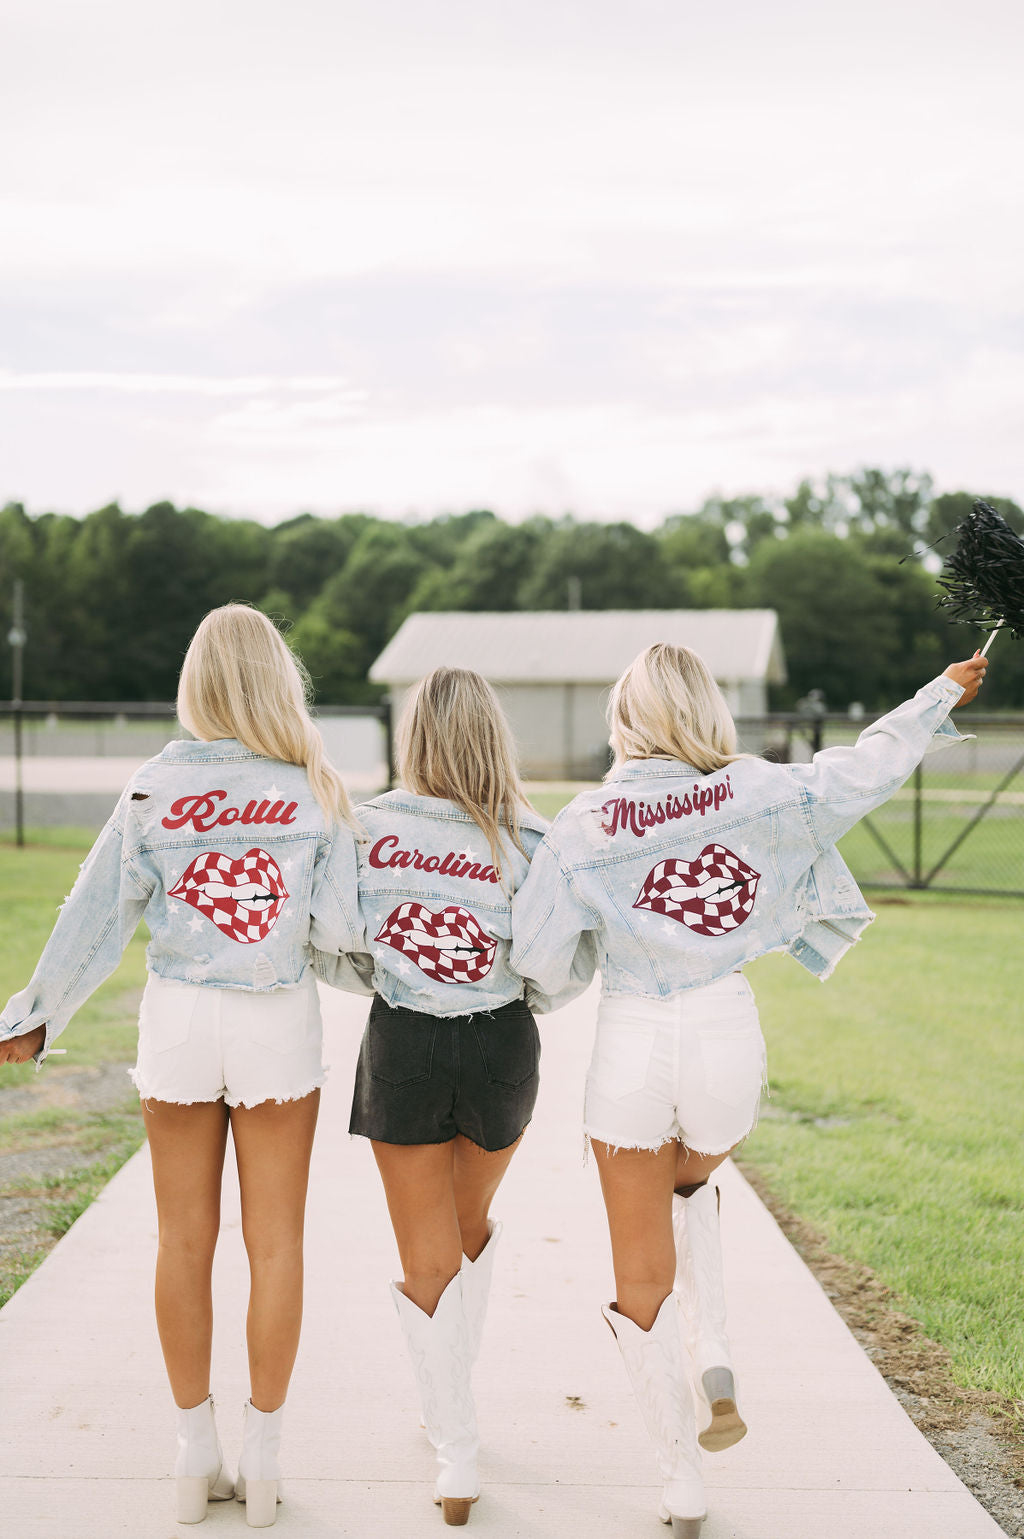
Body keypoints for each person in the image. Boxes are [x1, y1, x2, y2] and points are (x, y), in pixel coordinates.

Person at [510, 644, 987, 1538]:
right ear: (706, 712)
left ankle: (680, 1477)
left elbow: (538, 960)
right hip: (726, 1032)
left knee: (637, 1259)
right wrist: (939, 692)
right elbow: (866, 770)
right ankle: (714, 1347)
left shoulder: (582, 823)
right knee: (693, 1184)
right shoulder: (763, 790)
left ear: (625, 719)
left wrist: (595, 942)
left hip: (632, 1041)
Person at [0, 604, 365, 1530]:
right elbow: (337, 931)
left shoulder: (153, 786)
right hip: (275, 1018)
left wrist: (34, 1016)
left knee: (182, 1241)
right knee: (275, 1243)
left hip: (177, 1023)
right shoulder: (313, 787)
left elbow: (92, 916)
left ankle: (191, 1454)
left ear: (197, 683)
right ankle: (266, 1461)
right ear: (278, 680)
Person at [322, 666, 586, 1527]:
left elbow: (332, 938)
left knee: (429, 1253)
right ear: (494, 736)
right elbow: (554, 964)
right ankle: (450, 1412)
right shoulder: (535, 841)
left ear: (415, 740)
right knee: (464, 1237)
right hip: (504, 1043)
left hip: (403, 1040)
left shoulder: (368, 827)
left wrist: (388, 972)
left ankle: (456, 1448)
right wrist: (517, 993)